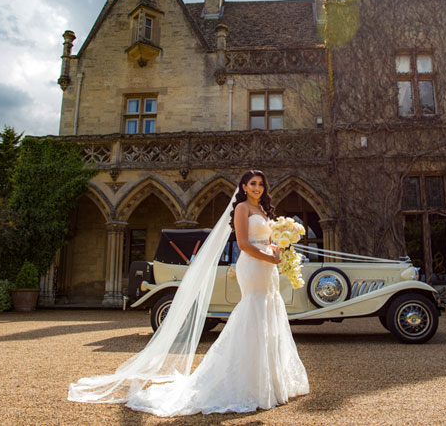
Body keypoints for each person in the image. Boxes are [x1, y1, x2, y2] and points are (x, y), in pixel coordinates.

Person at [68, 170, 309, 416]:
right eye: (252, 184)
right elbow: (244, 244)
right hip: (253, 264)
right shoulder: (242, 209)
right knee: (254, 309)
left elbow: (267, 240)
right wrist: (270, 256)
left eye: (260, 184)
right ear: (244, 187)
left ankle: (269, 381)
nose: (257, 187)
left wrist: (279, 249)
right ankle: (247, 382)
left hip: (267, 266)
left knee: (269, 310)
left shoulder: (266, 211)